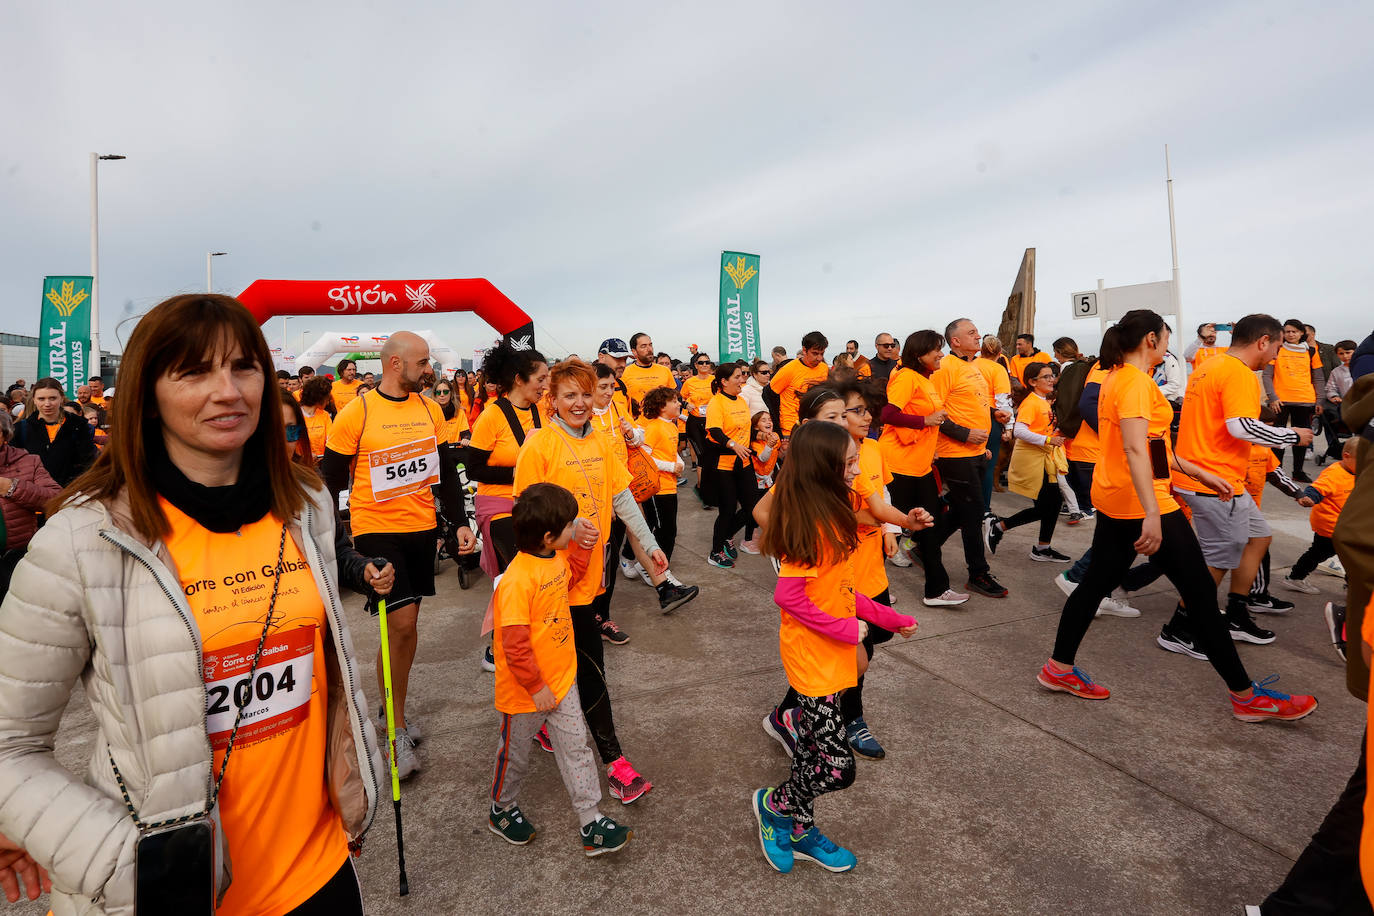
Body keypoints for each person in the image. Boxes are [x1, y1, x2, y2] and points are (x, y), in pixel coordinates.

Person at [0, 293, 390, 914]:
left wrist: (356, 785)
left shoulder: (304, 506)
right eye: (193, 371)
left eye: (243, 366)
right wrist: (129, 867)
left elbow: (332, 681)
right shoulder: (82, 540)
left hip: (319, 874)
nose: (227, 390)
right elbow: (10, 744)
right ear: (146, 394)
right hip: (179, 898)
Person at [1036, 308, 1317, 722]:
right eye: (1166, 336)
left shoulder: (1118, 377)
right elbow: (1135, 448)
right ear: (1151, 339)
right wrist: (1152, 513)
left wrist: (1198, 470)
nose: (1168, 343)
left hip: (1120, 496)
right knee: (1201, 595)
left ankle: (1057, 669)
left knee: (1095, 584)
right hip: (1144, 502)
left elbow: (1152, 446)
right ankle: (1246, 697)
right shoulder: (1132, 382)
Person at [750, 420, 918, 874]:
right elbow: (788, 596)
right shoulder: (807, 524)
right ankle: (775, 804)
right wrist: (846, 630)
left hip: (833, 653)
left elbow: (842, 590)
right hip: (812, 658)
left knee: (811, 750)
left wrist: (887, 617)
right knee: (836, 767)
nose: (856, 468)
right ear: (822, 467)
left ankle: (801, 829)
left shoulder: (837, 510)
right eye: (848, 463)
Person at [323, 332, 477, 780]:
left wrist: (458, 524)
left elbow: (445, 470)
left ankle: (394, 709)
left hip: (421, 528)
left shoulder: (430, 408)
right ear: (395, 364)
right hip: (376, 529)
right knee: (402, 622)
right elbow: (329, 478)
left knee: (406, 632)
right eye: (422, 362)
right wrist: (338, 541)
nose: (429, 369)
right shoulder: (358, 412)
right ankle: (394, 730)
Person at [513, 358, 663, 804]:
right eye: (569, 396)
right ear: (552, 400)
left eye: (585, 394)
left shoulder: (600, 440)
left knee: (576, 670)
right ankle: (615, 764)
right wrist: (568, 532)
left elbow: (621, 497)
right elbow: (523, 519)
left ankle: (545, 728)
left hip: (592, 579)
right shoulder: (539, 446)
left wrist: (649, 544)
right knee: (589, 672)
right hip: (554, 585)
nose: (579, 403)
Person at [486, 482, 633, 856]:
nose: (576, 526)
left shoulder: (553, 559)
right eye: (570, 525)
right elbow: (514, 645)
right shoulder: (517, 581)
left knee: (577, 749)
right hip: (525, 693)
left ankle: (591, 820)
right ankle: (501, 808)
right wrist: (536, 687)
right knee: (514, 757)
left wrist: (582, 546)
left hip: (562, 680)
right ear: (550, 537)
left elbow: (569, 581)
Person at [1163, 314, 1308, 653]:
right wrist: (1291, 434)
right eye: (1276, 347)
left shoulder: (1209, 365)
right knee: (1218, 559)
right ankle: (1180, 628)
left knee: (1258, 537)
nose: (1275, 356)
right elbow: (1241, 426)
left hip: (1211, 476)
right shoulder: (1239, 373)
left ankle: (1236, 613)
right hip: (1213, 481)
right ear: (1262, 341)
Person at [465, 344, 550, 670]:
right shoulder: (492, 415)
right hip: (497, 505)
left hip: (531, 503)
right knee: (520, 571)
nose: (545, 384)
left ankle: (507, 642)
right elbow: (474, 468)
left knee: (526, 576)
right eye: (540, 378)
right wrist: (517, 471)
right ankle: (504, 649)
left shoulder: (539, 411)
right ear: (519, 379)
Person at [879, 329, 967, 607]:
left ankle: (936, 590)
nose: (941, 354)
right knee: (886, 528)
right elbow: (887, 414)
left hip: (920, 466)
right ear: (919, 355)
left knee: (930, 527)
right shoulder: (906, 377)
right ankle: (868, 592)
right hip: (898, 466)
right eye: (936, 350)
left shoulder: (925, 378)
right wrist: (926, 420)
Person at [934, 318, 1006, 598]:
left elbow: (975, 404)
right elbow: (936, 413)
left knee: (962, 507)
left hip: (977, 452)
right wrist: (965, 435)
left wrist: (991, 420)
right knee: (974, 512)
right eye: (972, 333)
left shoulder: (974, 366)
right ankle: (978, 573)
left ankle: (921, 545)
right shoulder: (945, 368)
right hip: (955, 452)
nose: (979, 336)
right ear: (955, 341)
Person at [984, 361, 1071, 563]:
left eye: (1052, 376)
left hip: (1045, 460)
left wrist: (1054, 434)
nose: (1052, 380)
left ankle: (1042, 547)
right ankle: (998, 527)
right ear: (1032, 382)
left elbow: (1042, 428)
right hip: (1034, 461)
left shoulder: (1042, 401)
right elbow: (1020, 431)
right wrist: (1049, 439)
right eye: (1046, 377)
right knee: (1045, 507)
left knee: (1054, 503)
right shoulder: (1032, 402)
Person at [1281, 438, 1357, 594]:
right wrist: (1309, 498)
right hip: (1331, 525)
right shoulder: (1335, 474)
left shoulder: (1358, 471)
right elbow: (1316, 489)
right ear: (1346, 456)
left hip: (1348, 526)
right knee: (1323, 554)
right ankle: (1295, 578)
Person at [0, 409, 60, 599]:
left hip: (14, 561)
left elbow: (57, 500)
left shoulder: (28, 461)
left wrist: (11, 488)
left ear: (5, 436)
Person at [706, 362, 760, 568]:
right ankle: (716, 551)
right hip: (724, 464)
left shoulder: (740, 401)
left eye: (743, 375)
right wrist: (733, 445)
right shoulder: (716, 403)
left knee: (752, 507)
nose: (742, 380)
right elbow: (715, 431)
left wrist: (761, 434)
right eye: (738, 376)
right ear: (724, 381)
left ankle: (727, 535)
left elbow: (745, 430)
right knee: (727, 509)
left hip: (744, 462)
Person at [1264, 319, 1325, 481]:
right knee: (1278, 437)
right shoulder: (1277, 349)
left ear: (1301, 333)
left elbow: (1318, 377)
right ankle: (1276, 472)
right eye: (1287, 331)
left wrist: (1320, 400)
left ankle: (1298, 472)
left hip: (1305, 399)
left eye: (1294, 331)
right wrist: (1272, 397)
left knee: (1302, 438)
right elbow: (1267, 375)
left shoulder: (1311, 351)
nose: (1291, 334)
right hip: (1280, 401)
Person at [12, 378, 96, 487]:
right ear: (34, 399)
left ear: (61, 398)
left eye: (52, 398)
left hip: (71, 492)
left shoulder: (79, 426)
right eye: (41, 399)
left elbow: (88, 462)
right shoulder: (20, 429)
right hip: (34, 493)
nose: (47, 404)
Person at [975, 335, 1014, 507]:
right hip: (991, 419)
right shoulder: (998, 370)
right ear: (1000, 353)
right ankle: (983, 508)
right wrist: (1009, 427)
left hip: (969, 416)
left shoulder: (971, 365)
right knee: (988, 467)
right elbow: (1003, 401)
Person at [769, 331, 829, 439]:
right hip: (791, 429)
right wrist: (777, 428)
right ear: (805, 350)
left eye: (822, 353)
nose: (819, 358)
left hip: (816, 426)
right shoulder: (789, 369)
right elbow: (768, 394)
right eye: (815, 353)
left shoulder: (824, 368)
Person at [681, 352, 715, 502]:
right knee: (702, 456)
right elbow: (679, 397)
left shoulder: (715, 380)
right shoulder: (690, 382)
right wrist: (685, 404)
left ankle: (708, 488)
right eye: (701, 363)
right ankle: (703, 491)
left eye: (707, 362)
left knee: (711, 456)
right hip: (694, 423)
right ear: (695, 365)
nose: (704, 365)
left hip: (711, 423)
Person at [743, 410, 779, 553]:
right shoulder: (754, 443)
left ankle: (764, 535)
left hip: (768, 479)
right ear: (756, 427)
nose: (768, 422)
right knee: (753, 510)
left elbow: (776, 456)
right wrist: (769, 445)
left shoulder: (774, 436)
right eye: (763, 420)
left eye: (769, 419)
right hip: (756, 481)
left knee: (769, 509)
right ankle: (747, 539)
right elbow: (763, 458)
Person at [1319, 339, 1357, 464]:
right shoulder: (1336, 372)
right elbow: (1330, 388)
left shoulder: (1363, 366)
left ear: (1355, 352)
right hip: (1348, 407)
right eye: (1341, 354)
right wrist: (1334, 396)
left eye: (1348, 352)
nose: (1345, 356)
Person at [621, 332, 675, 415]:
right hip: (637, 425)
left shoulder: (665, 371)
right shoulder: (624, 373)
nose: (649, 349)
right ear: (634, 351)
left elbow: (673, 398)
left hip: (662, 424)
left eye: (650, 345)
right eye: (643, 346)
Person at [298, 375, 334, 460]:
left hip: (321, 462)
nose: (328, 401)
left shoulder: (324, 415)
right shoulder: (296, 415)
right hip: (300, 464)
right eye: (327, 396)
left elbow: (330, 439)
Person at [431, 376, 471, 445]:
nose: (442, 395)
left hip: (454, 452)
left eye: (445, 392)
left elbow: (466, 433)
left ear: (451, 393)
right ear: (435, 394)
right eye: (438, 392)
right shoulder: (429, 412)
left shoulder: (459, 412)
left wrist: (466, 438)